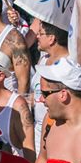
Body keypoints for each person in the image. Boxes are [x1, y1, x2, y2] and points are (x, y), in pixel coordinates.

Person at [28, 19, 70, 154]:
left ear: (51, 38)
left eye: (41, 33)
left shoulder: (70, 64)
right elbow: (36, 92)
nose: (37, 36)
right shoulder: (43, 59)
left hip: (60, 128)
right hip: (39, 127)